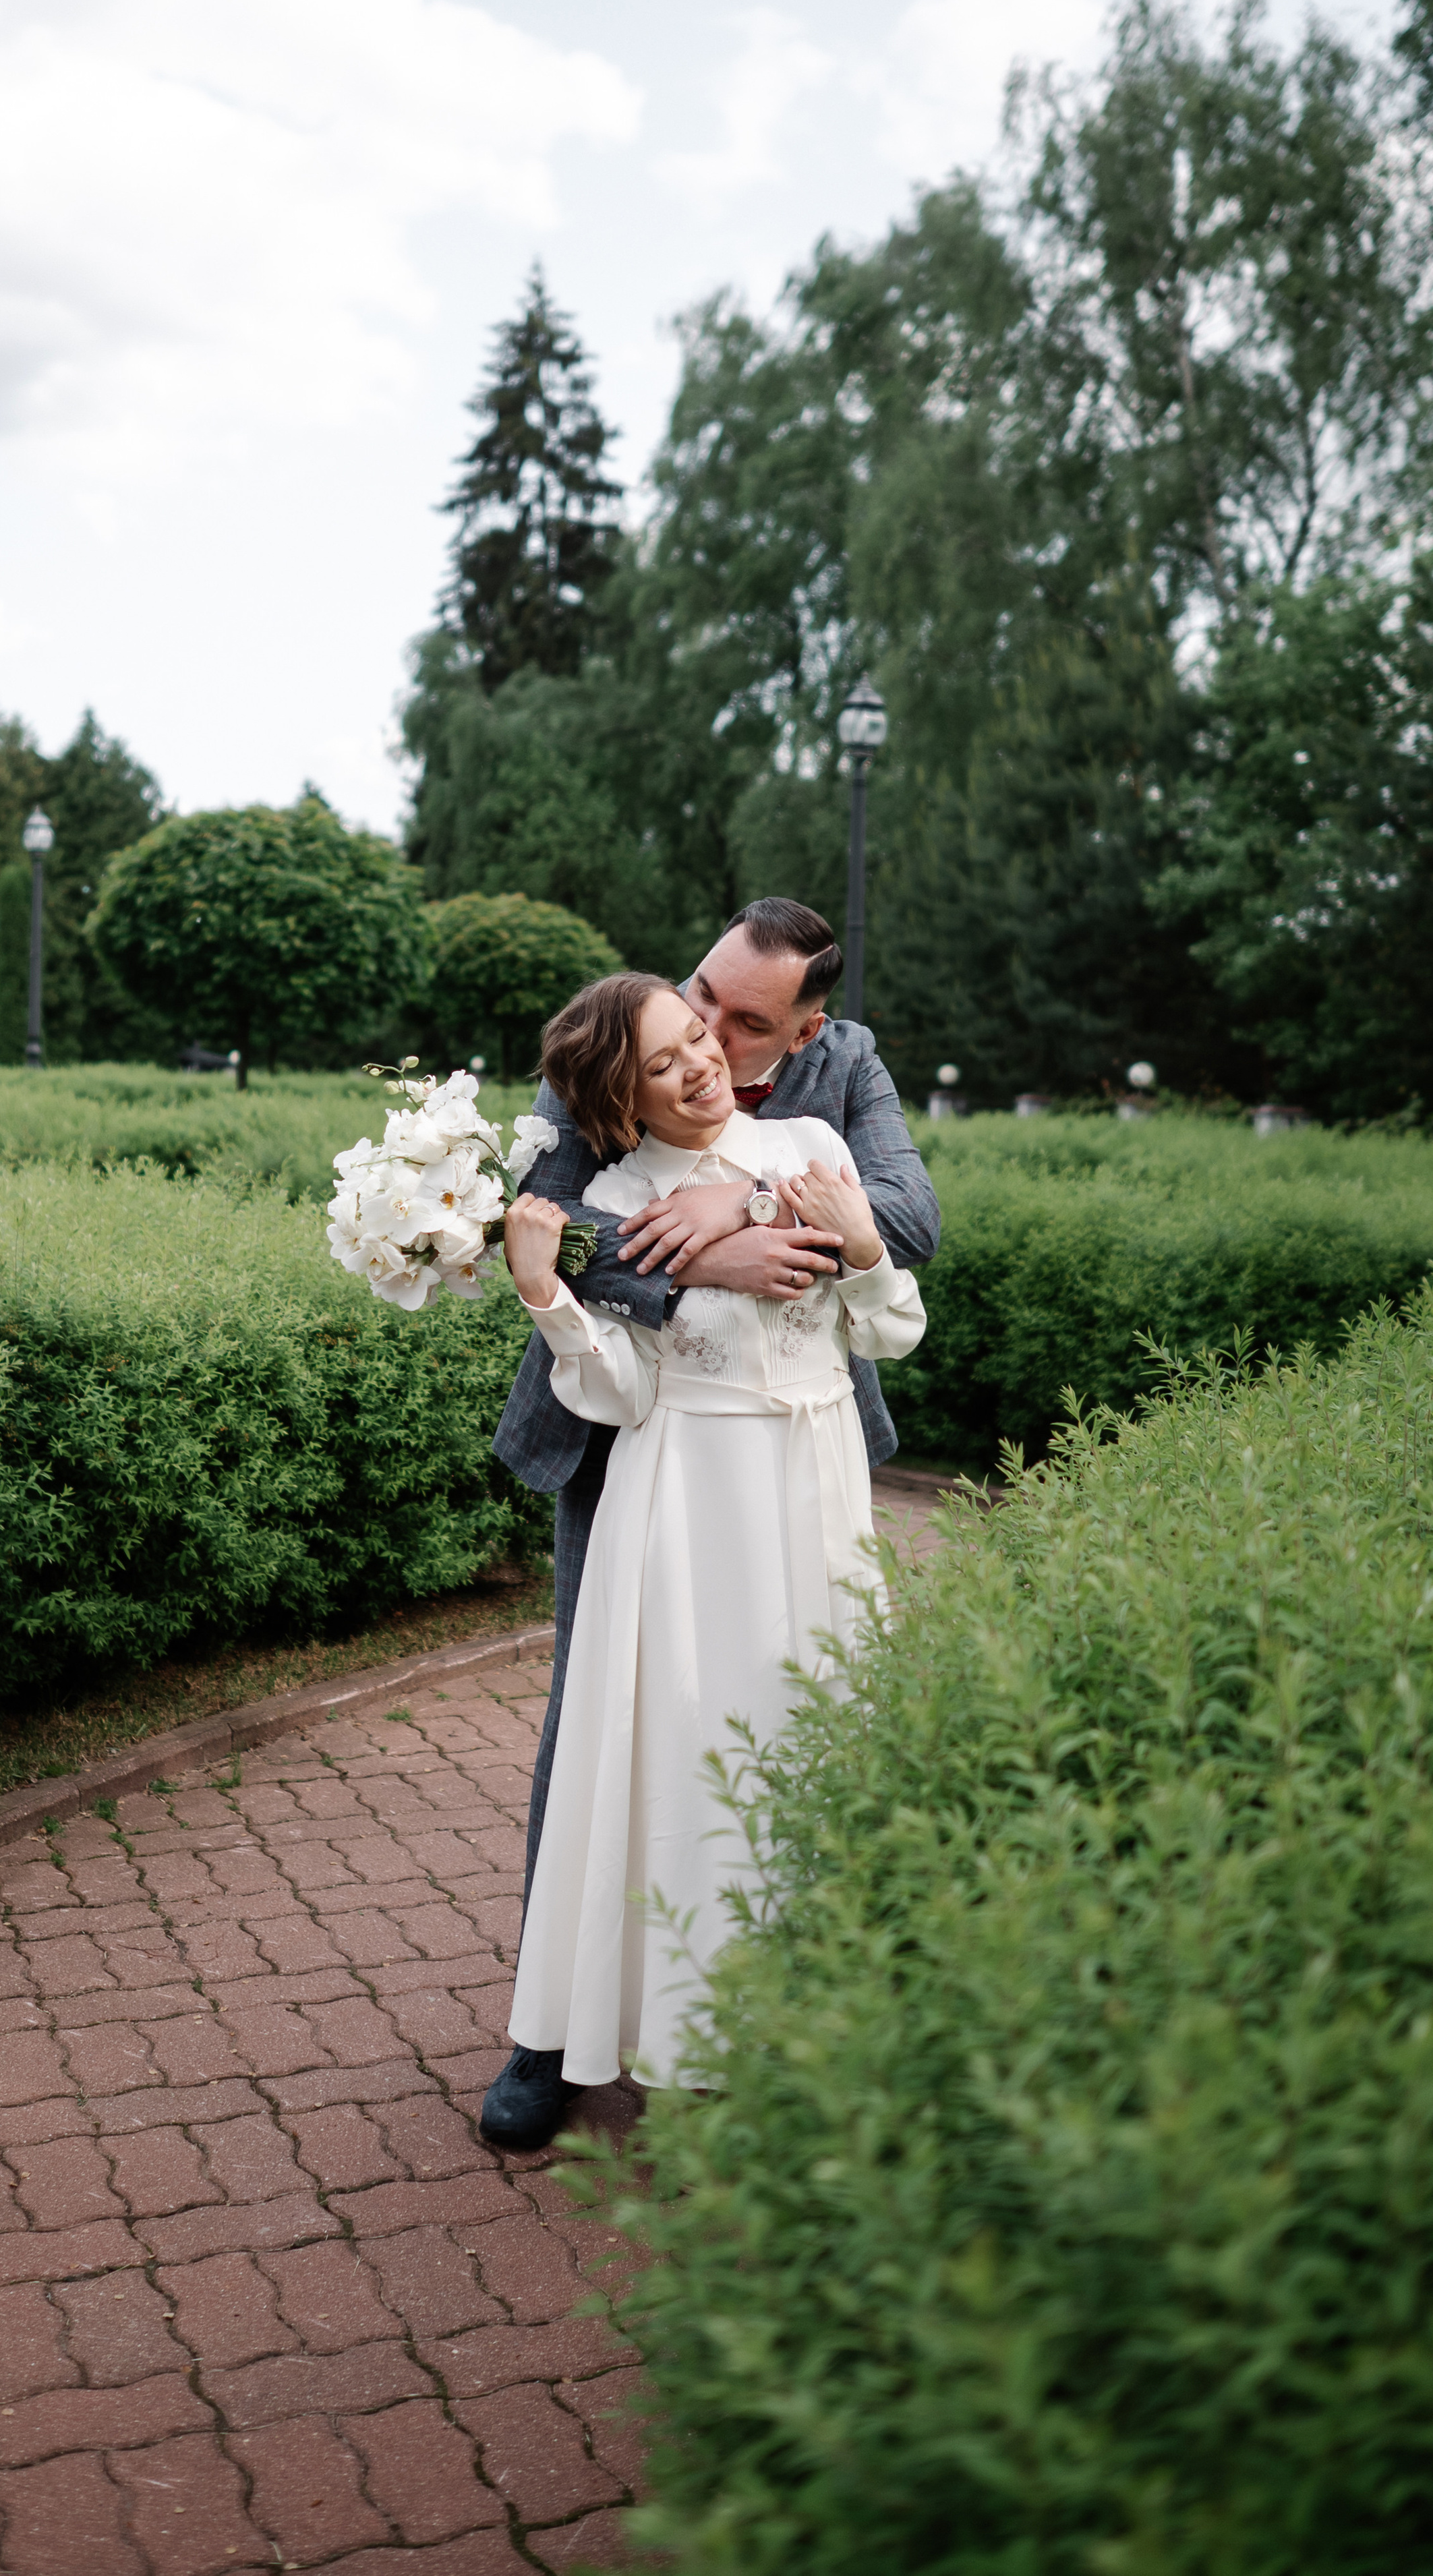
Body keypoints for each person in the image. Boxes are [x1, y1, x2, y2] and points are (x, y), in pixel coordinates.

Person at [482, 901, 940, 2146]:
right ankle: (555, 2026)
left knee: (816, 1717)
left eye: (741, 1027)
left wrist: (743, 1216)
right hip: (647, 1452)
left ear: (803, 1027)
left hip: (807, 1456)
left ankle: (807, 2006)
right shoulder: (617, 1040)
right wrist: (670, 1262)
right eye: (700, 1007)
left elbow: (909, 1223)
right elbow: (546, 1219)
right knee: (619, 1719)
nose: (713, 1045)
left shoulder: (834, 1087)